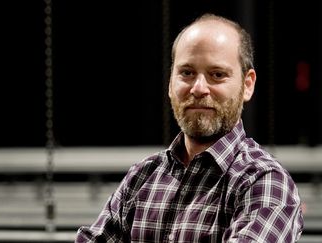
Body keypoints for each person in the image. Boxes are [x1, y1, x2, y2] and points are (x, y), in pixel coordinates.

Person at [75, 13, 304, 242]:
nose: (198, 88)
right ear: (170, 82)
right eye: (187, 73)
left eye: (217, 75)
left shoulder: (265, 183)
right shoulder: (141, 177)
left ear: (247, 85)